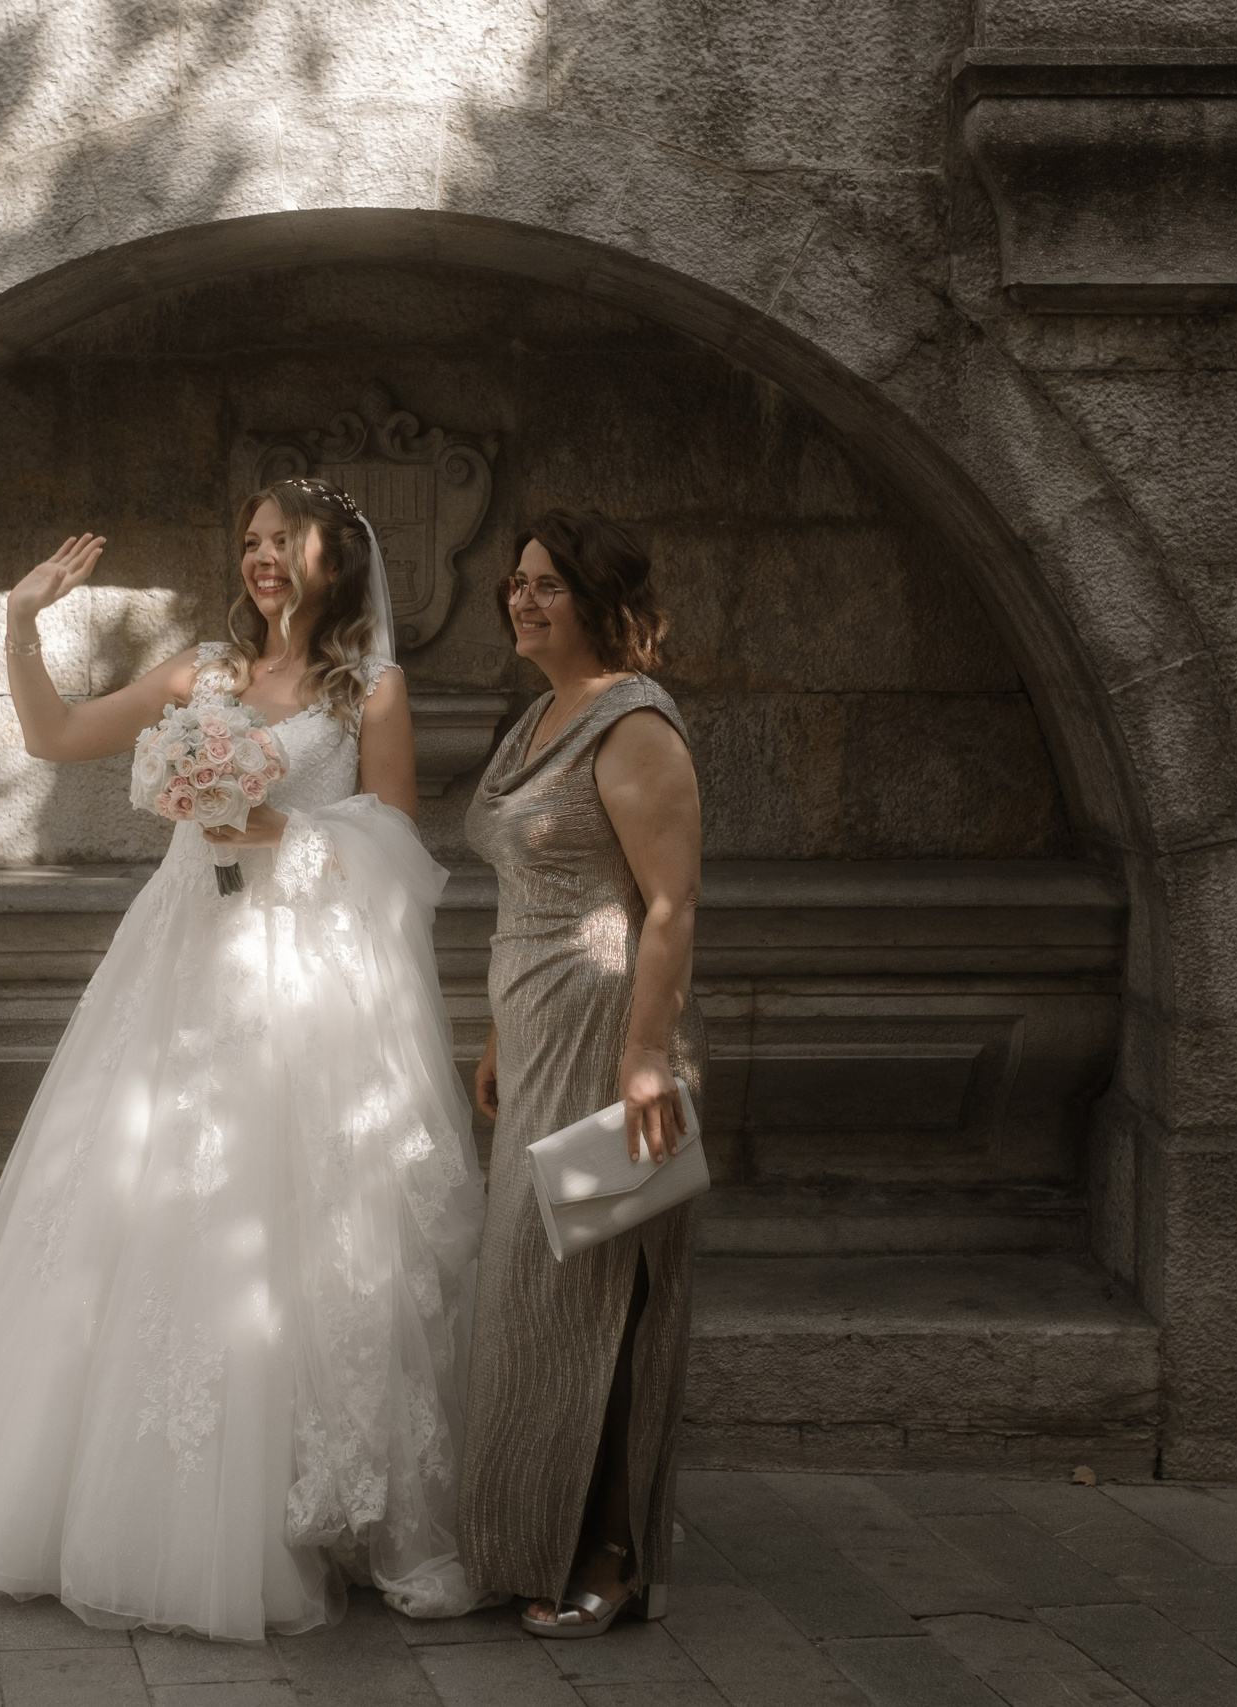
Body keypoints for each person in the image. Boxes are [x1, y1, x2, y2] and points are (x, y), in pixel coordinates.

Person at [0, 478, 487, 1641]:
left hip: (298, 991)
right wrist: (19, 623)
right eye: (253, 541)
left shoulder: (371, 689)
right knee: (144, 1210)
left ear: (335, 555)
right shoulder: (199, 676)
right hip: (175, 972)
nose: (261, 557)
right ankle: (129, 1509)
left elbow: (405, 850)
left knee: (290, 1227)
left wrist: (285, 831)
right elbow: (54, 737)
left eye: (284, 540)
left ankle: (309, 1505)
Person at [457, 508, 705, 1638]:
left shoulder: (635, 722)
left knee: (602, 1291)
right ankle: (527, 1541)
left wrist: (647, 1060)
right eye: (515, 582)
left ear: (599, 598)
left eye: (547, 584)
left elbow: (669, 904)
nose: (522, 599)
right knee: (534, 1294)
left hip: (610, 1033)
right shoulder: (535, 719)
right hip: (539, 1025)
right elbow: (527, 893)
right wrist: (501, 1029)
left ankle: (608, 1553)